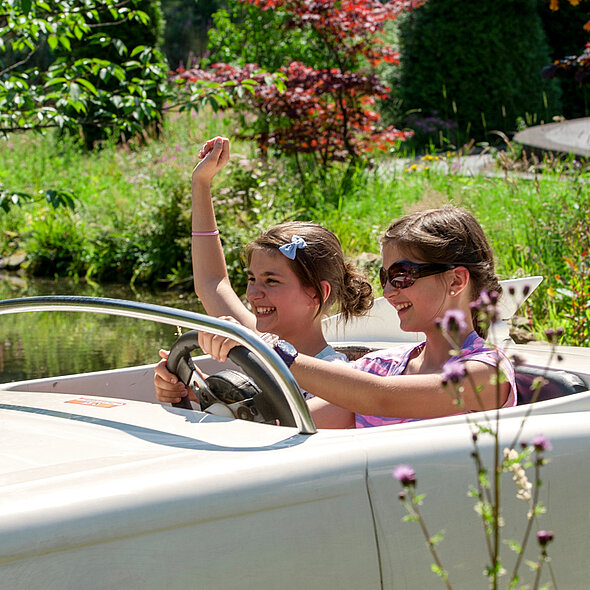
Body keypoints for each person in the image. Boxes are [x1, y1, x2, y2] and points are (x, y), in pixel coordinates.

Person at [198, 205, 517, 428]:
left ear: (456, 281)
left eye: (402, 275)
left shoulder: (487, 374)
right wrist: (194, 397)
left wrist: (269, 350)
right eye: (385, 277)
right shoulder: (381, 366)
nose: (389, 291)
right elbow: (286, 426)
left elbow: (380, 400)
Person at [154, 136, 374, 427]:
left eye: (271, 281)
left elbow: (277, 429)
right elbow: (212, 282)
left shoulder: (337, 381)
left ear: (316, 293)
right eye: (252, 278)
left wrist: (213, 396)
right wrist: (195, 389)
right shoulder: (252, 339)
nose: (254, 293)